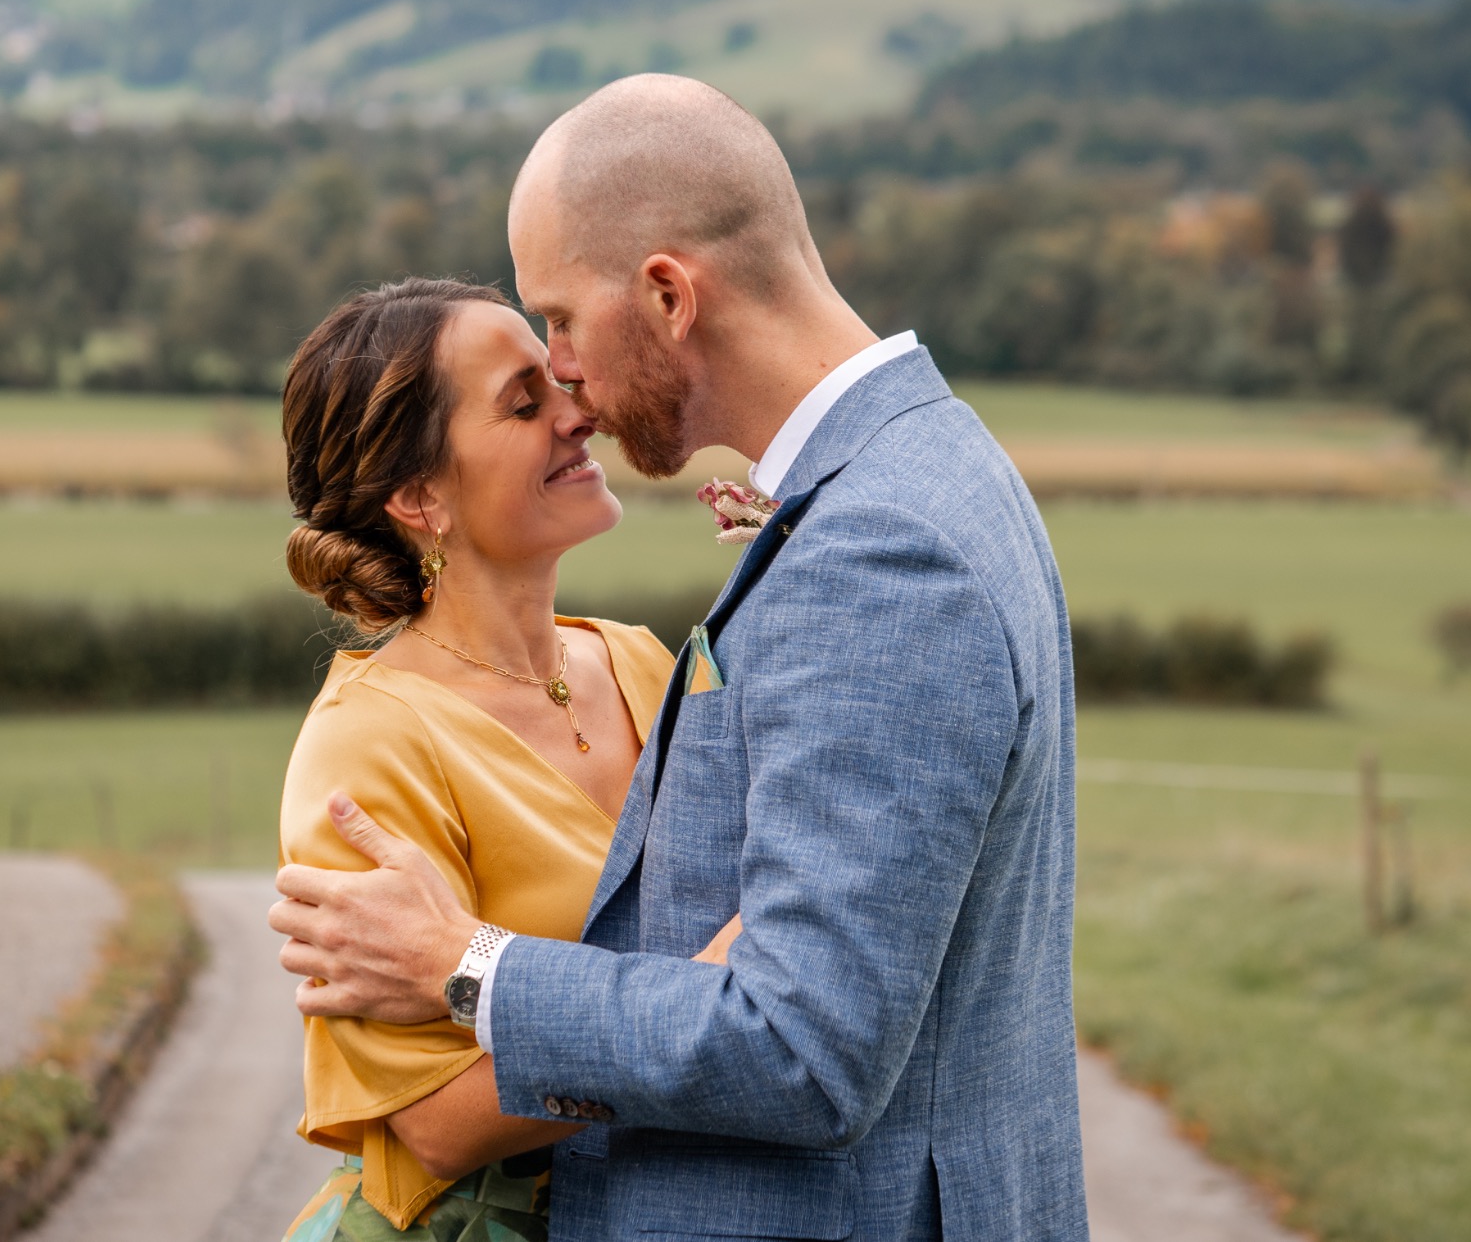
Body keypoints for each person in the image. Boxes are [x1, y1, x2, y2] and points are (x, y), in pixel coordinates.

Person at [271, 75, 1088, 1240]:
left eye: (557, 320)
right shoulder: (916, 479)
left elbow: (801, 1044)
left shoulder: (871, 555)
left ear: (665, 294)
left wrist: (472, 965)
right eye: (524, 379)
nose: (565, 380)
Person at [272, 276, 739, 1238]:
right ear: (417, 496)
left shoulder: (643, 660)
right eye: (526, 404)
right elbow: (436, 1126)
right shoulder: (369, 744)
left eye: (559, 382)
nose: (582, 414)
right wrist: (724, 993)